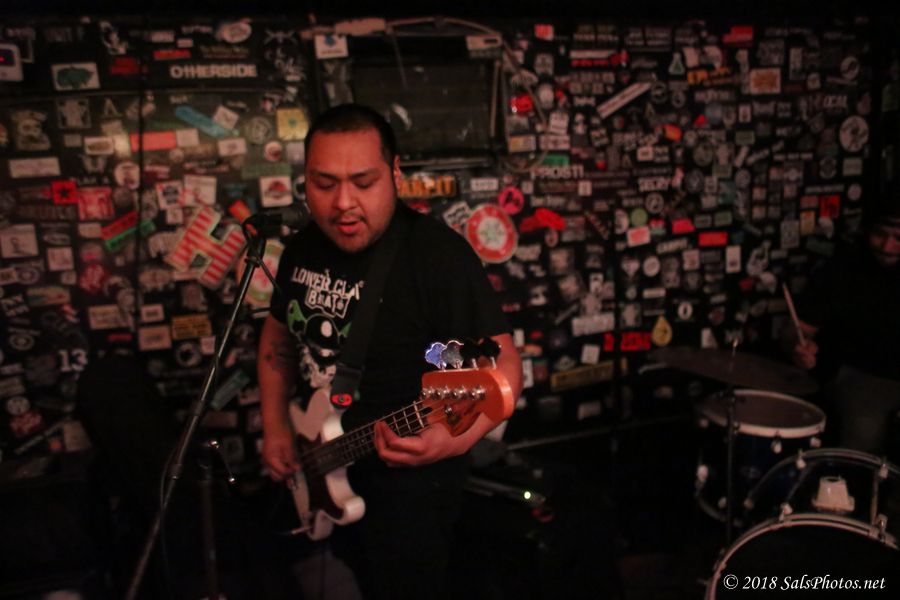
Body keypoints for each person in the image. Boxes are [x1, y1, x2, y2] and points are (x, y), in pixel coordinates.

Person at [257, 104, 523, 600]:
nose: (343, 203)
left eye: (364, 182)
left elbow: (504, 369)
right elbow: (277, 340)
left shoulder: (436, 257)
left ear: (395, 174)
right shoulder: (300, 250)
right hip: (321, 459)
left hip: (409, 490)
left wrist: (454, 439)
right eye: (324, 183)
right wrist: (275, 424)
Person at [787, 210, 900, 455]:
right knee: (862, 440)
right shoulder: (844, 268)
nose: (887, 246)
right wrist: (801, 347)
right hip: (858, 375)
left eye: (898, 238)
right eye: (880, 234)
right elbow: (799, 330)